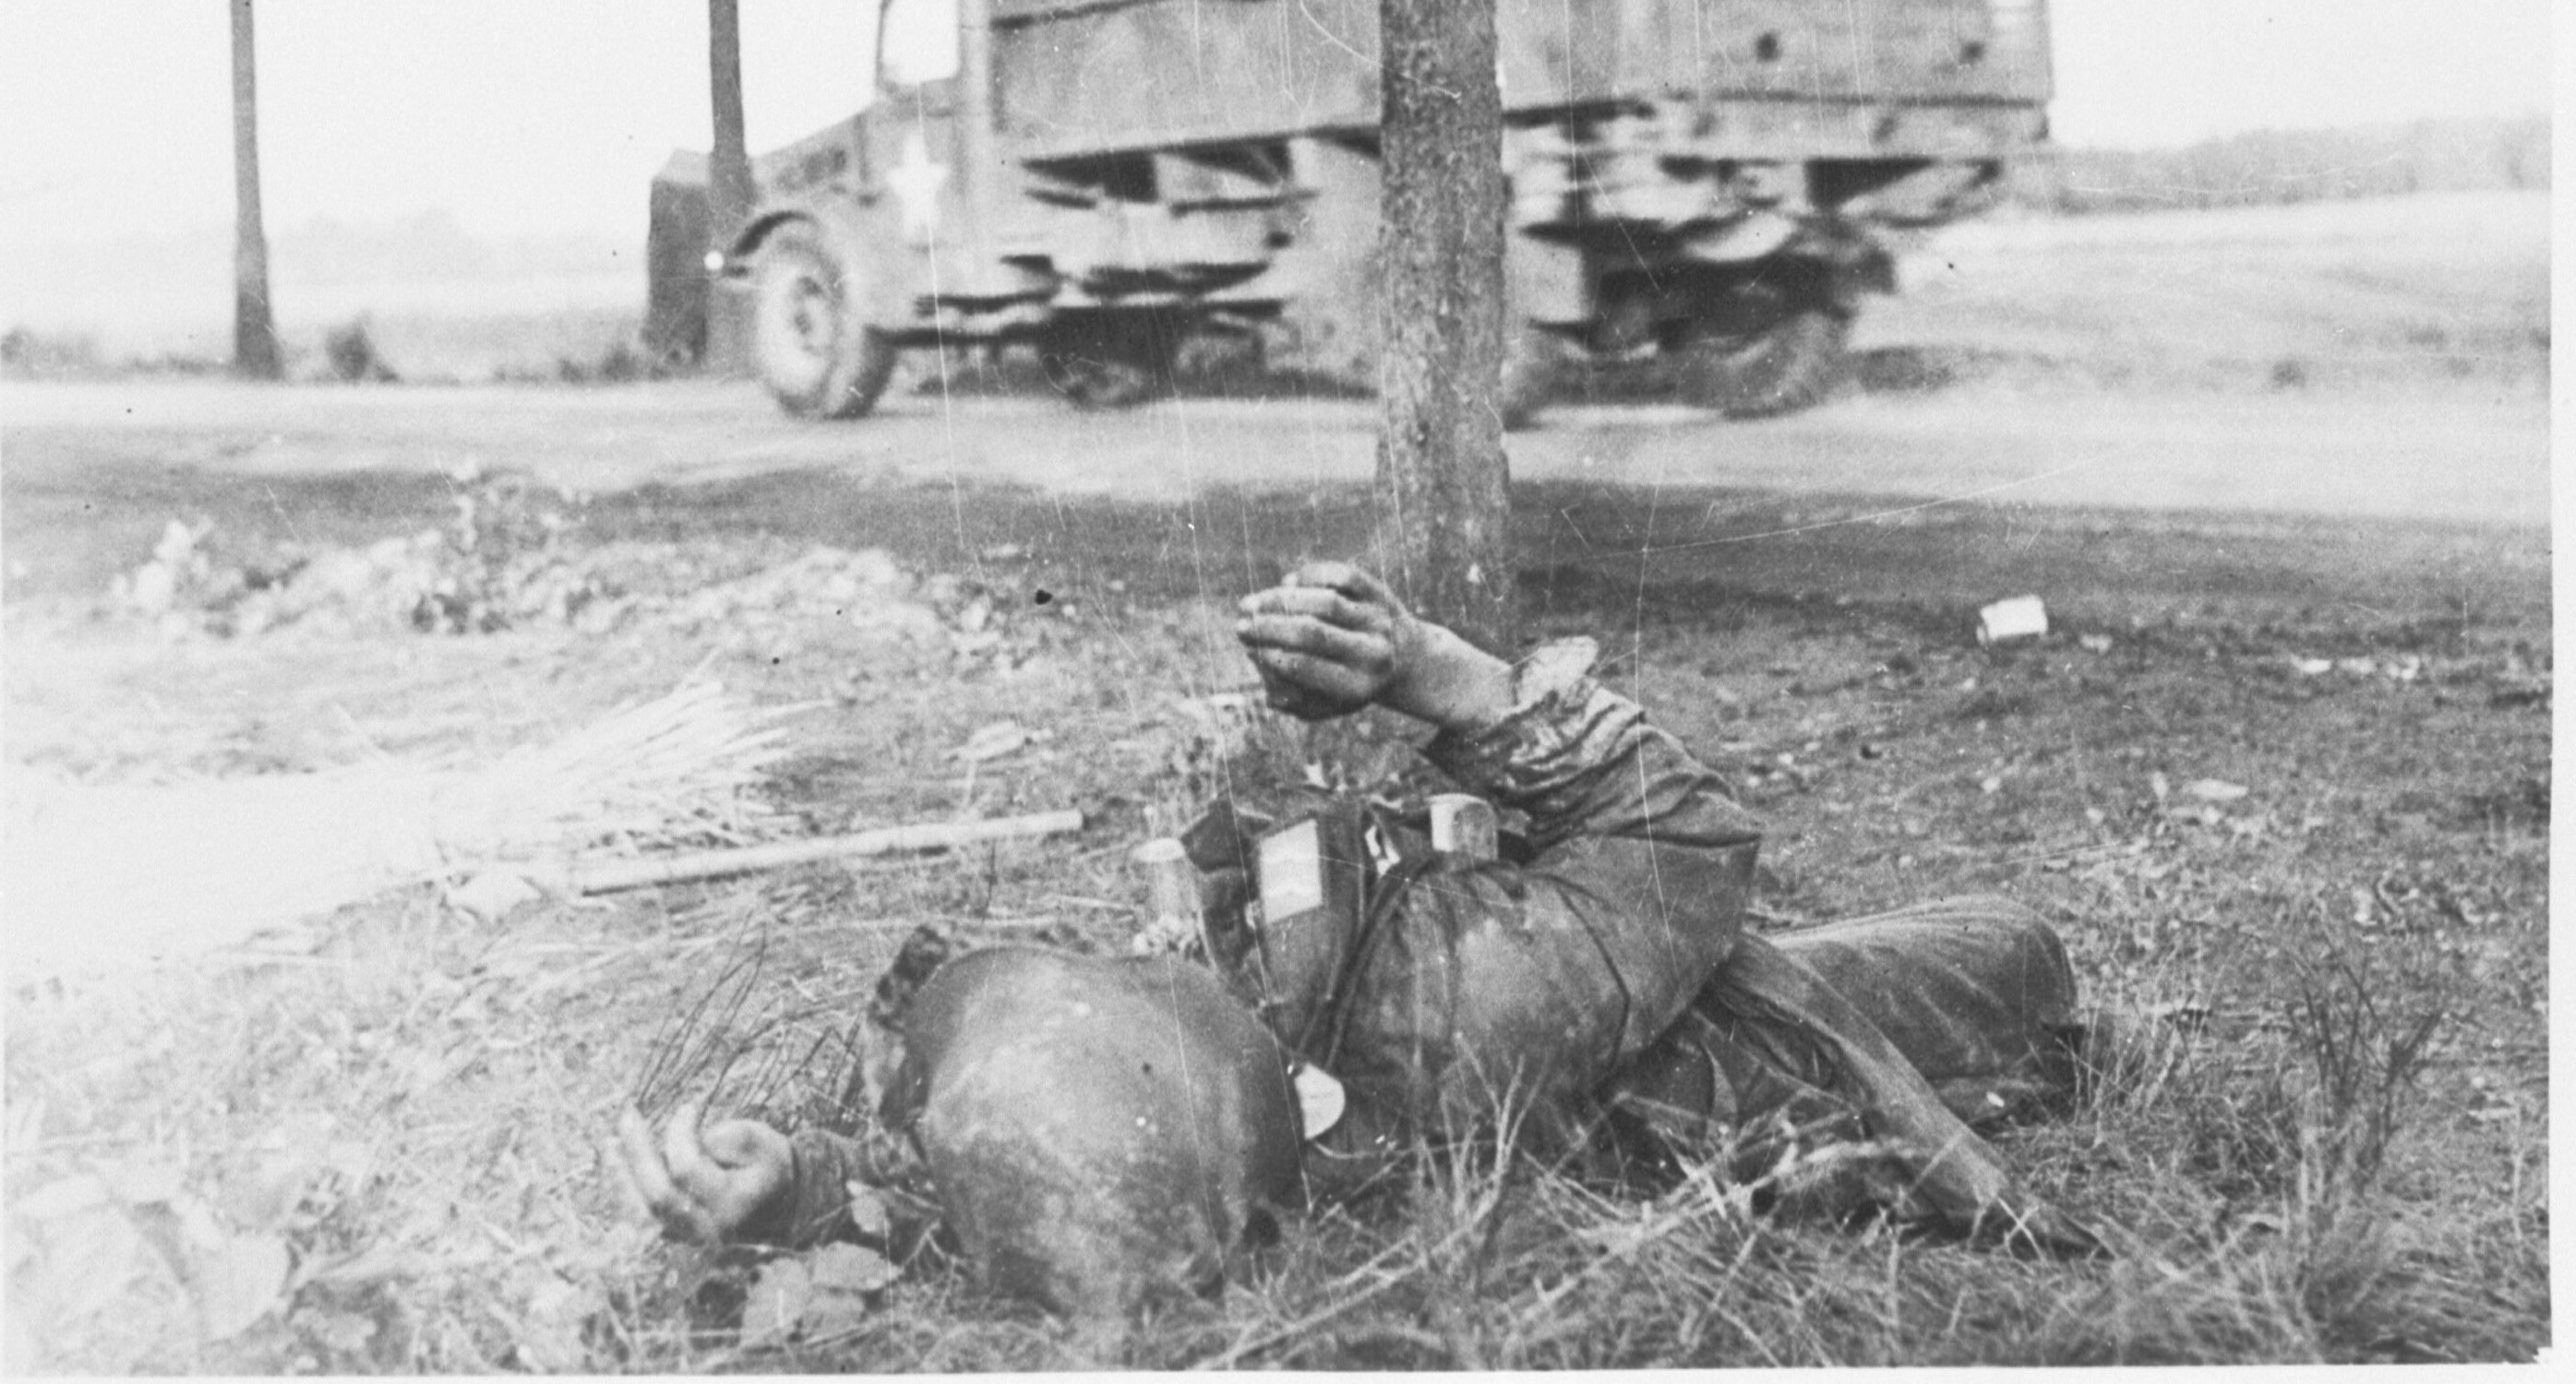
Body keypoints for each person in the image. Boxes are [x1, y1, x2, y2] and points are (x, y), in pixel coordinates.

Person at [616, 564, 2102, 1316]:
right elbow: (1687, 842)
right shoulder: (1439, 1021)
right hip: (1712, 1007)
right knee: (2017, 950)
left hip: (1599, 951)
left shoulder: (1190, 1094)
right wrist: (1440, 674)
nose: (1100, 974)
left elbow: (1031, 1163)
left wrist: (805, 1180)